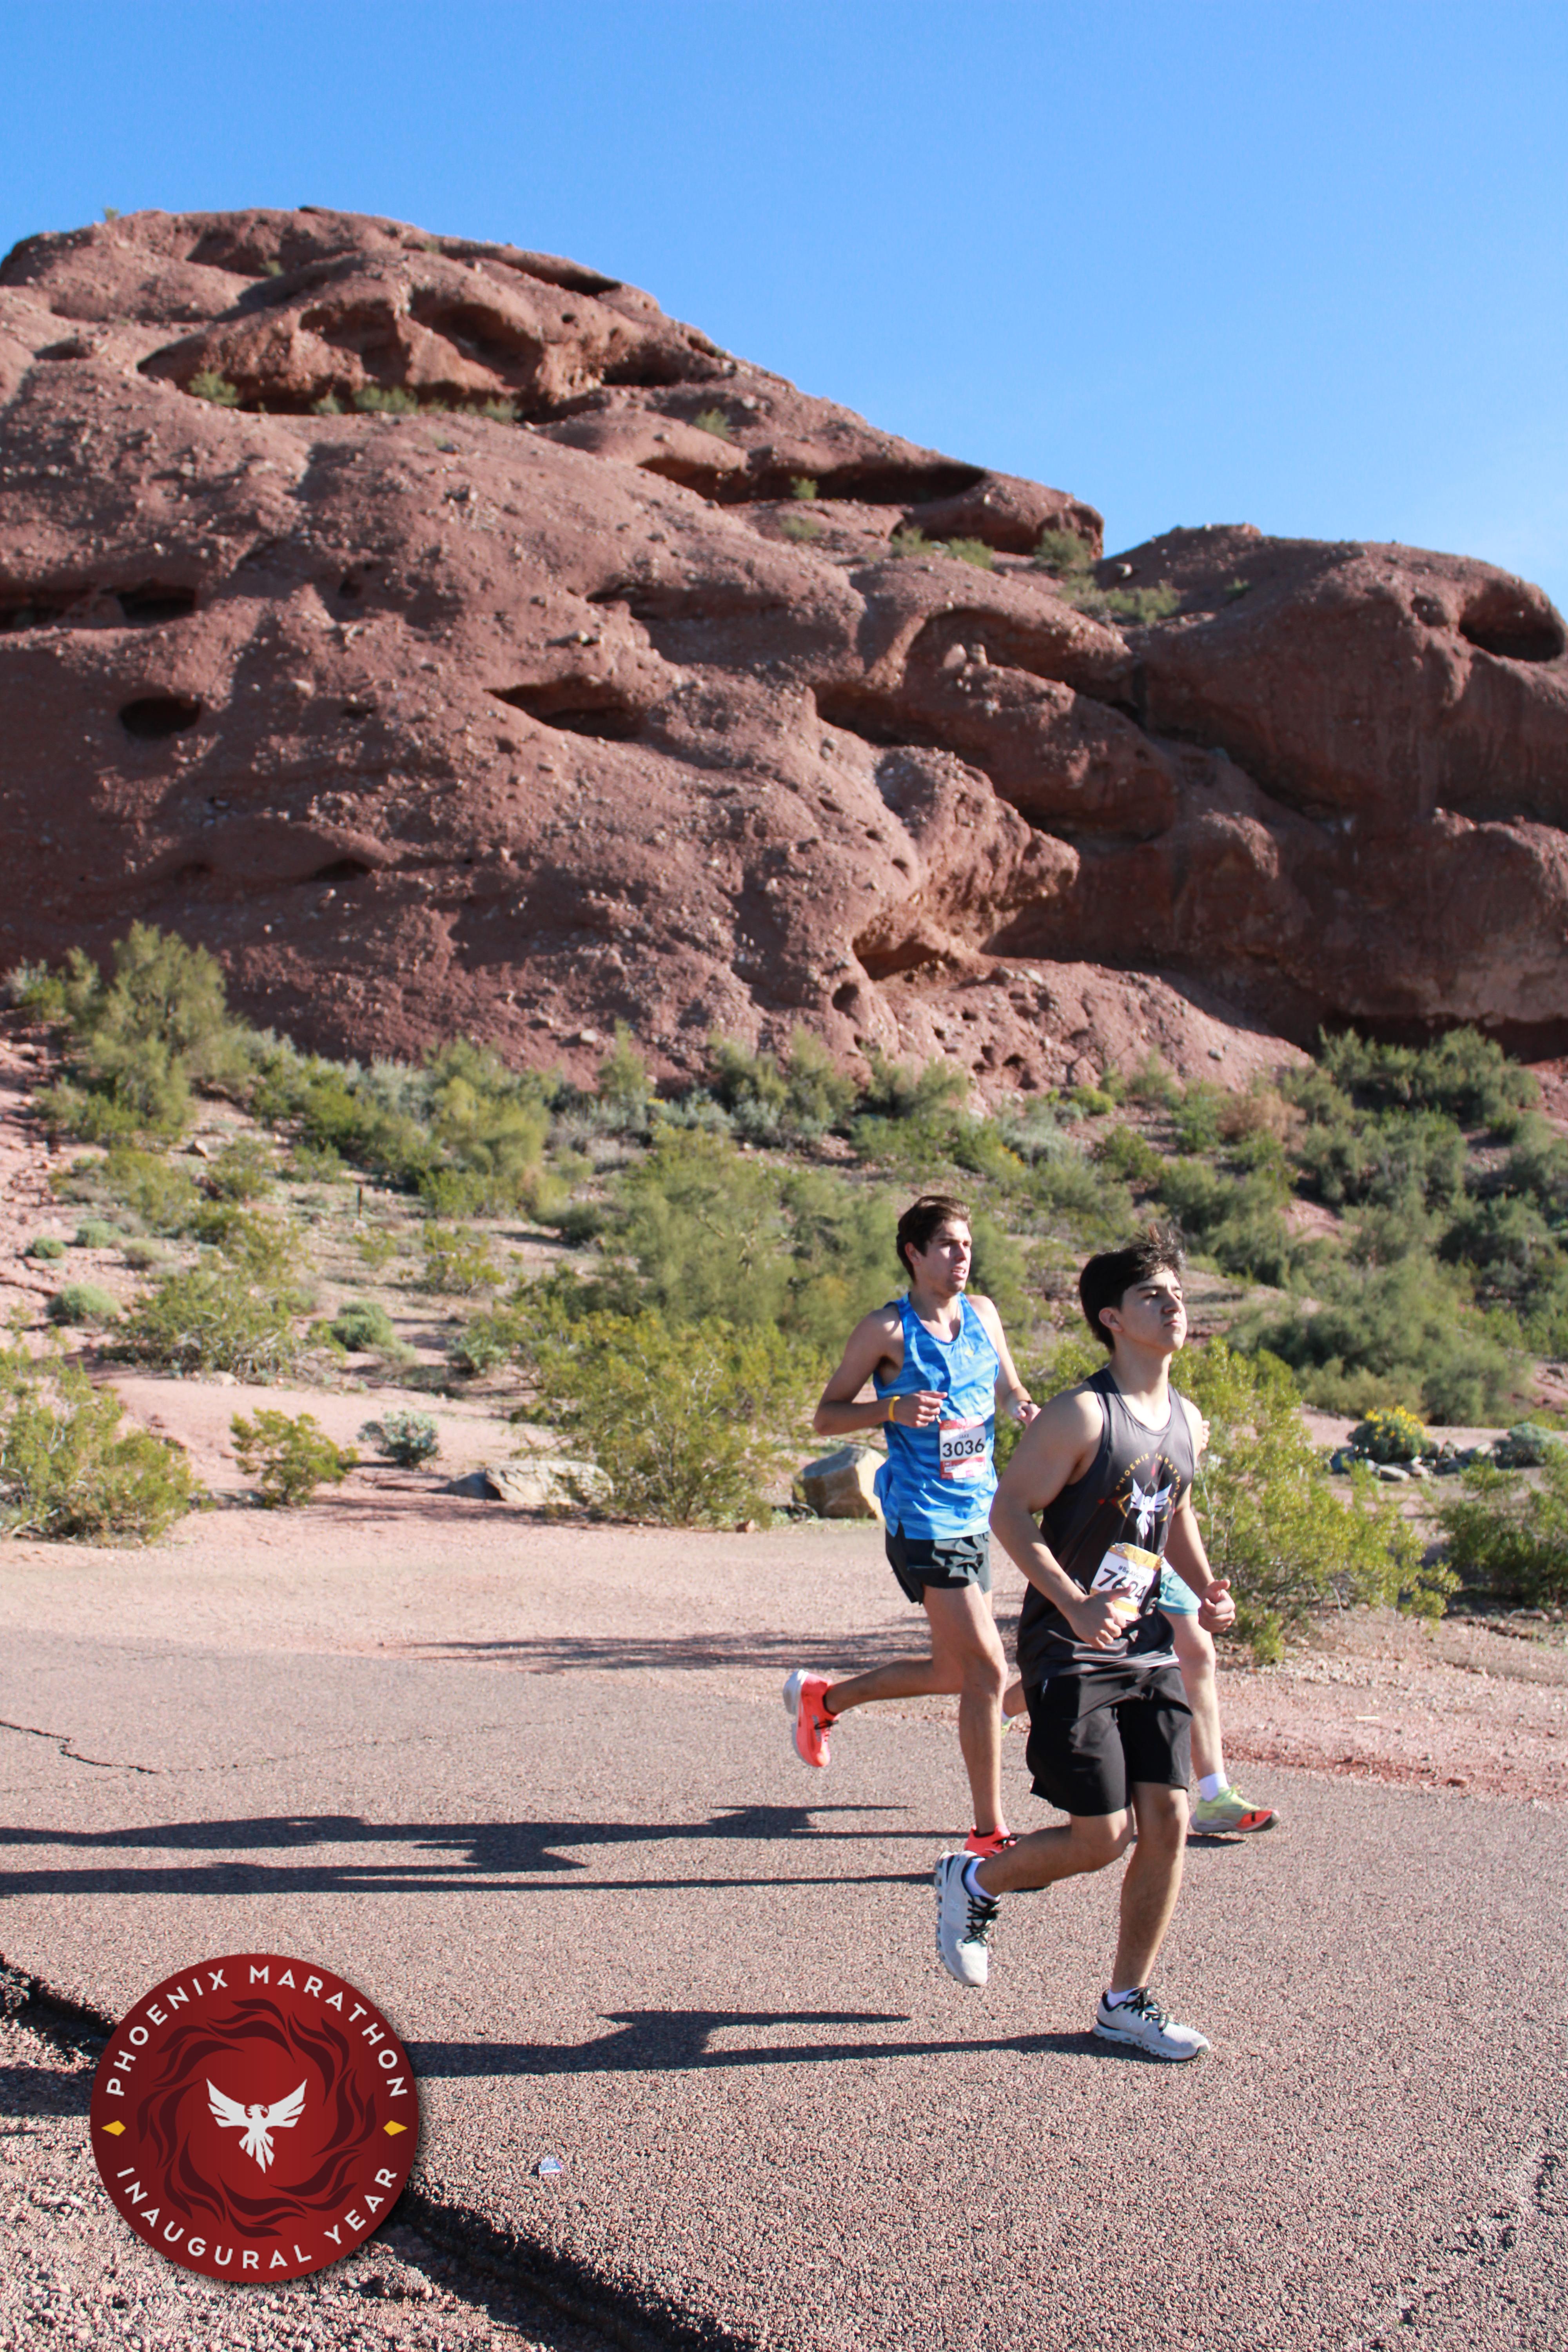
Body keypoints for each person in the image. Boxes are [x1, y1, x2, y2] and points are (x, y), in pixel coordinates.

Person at [934, 1233, 1238, 2060]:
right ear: (1111, 1319)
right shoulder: (1082, 1415)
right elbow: (1008, 1511)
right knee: (1099, 1838)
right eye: (1152, 1297)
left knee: (1168, 1818)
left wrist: (1204, 1587)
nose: (1173, 1308)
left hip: (1147, 1645)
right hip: (1070, 1649)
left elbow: (1171, 1509)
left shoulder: (1187, 1420)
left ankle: (1124, 2001)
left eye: (1177, 1295)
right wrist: (1071, 1604)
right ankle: (973, 1880)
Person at [784, 1195, 1037, 1858]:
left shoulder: (984, 1315)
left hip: (977, 1511)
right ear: (914, 1253)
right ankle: (988, 1833)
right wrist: (889, 1409)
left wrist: (1025, 1409)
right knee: (988, 1670)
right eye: (949, 1245)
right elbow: (827, 1417)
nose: (962, 1257)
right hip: (923, 1520)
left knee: (956, 1672)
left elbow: (1009, 1389)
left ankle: (824, 1700)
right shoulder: (887, 1331)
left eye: (968, 1245)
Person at [1001, 1466, 1277, 1838]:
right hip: (1114, 1547)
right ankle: (1003, 1709)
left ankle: (1214, 1795)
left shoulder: (1186, 1430)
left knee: (1198, 1653)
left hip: (1161, 1552)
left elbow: (1179, 1497)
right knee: (1094, 1656)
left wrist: (1209, 1588)